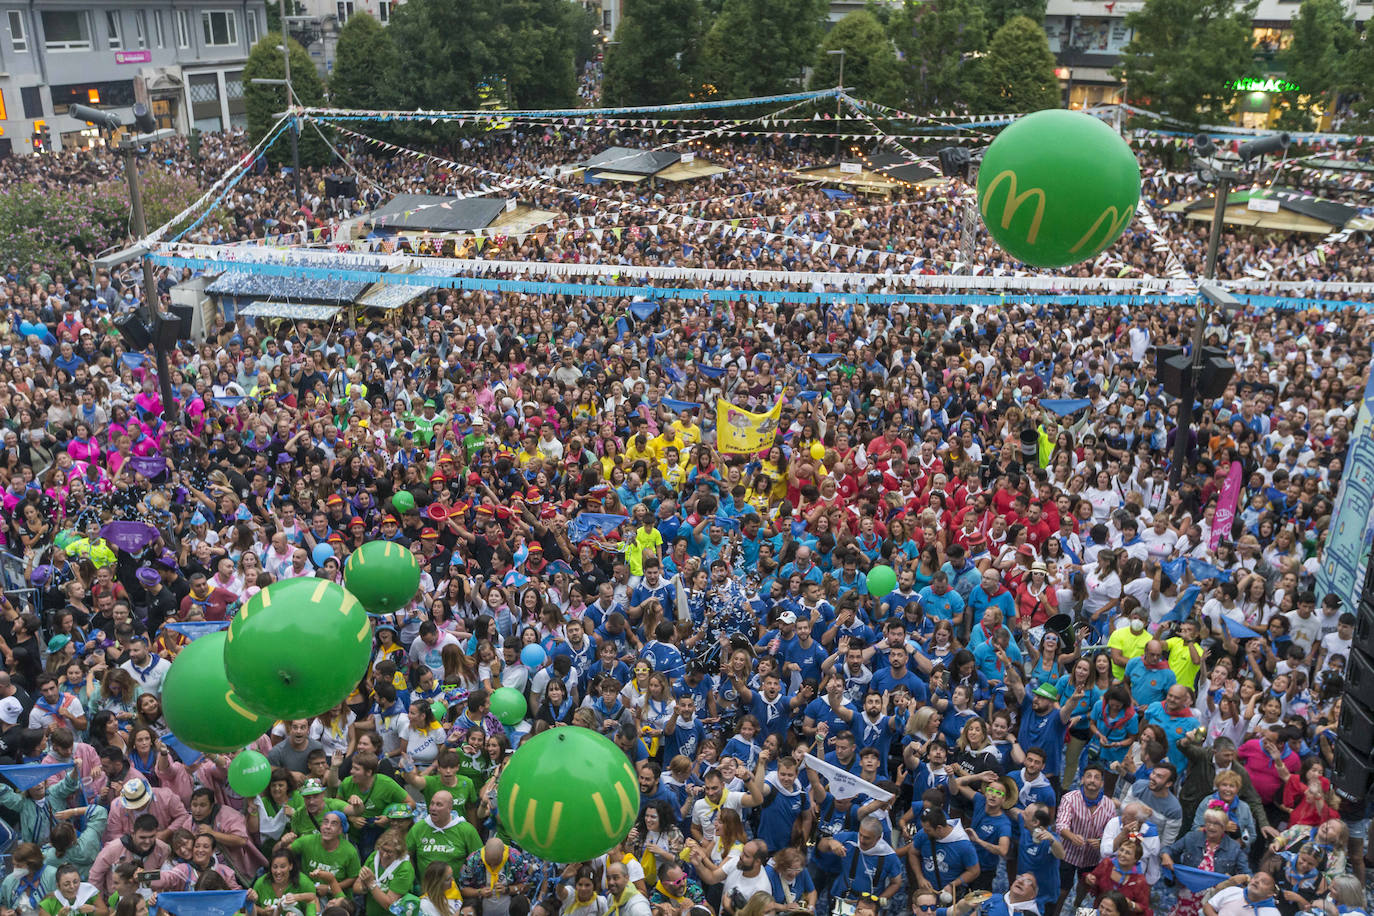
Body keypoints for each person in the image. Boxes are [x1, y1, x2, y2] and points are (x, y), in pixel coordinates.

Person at [250, 849, 319, 916]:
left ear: (290, 866)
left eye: (282, 867)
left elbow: (313, 900)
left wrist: (297, 897)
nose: (278, 871)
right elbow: (248, 906)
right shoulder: (261, 883)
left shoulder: (304, 883)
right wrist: (263, 912)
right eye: (275, 867)